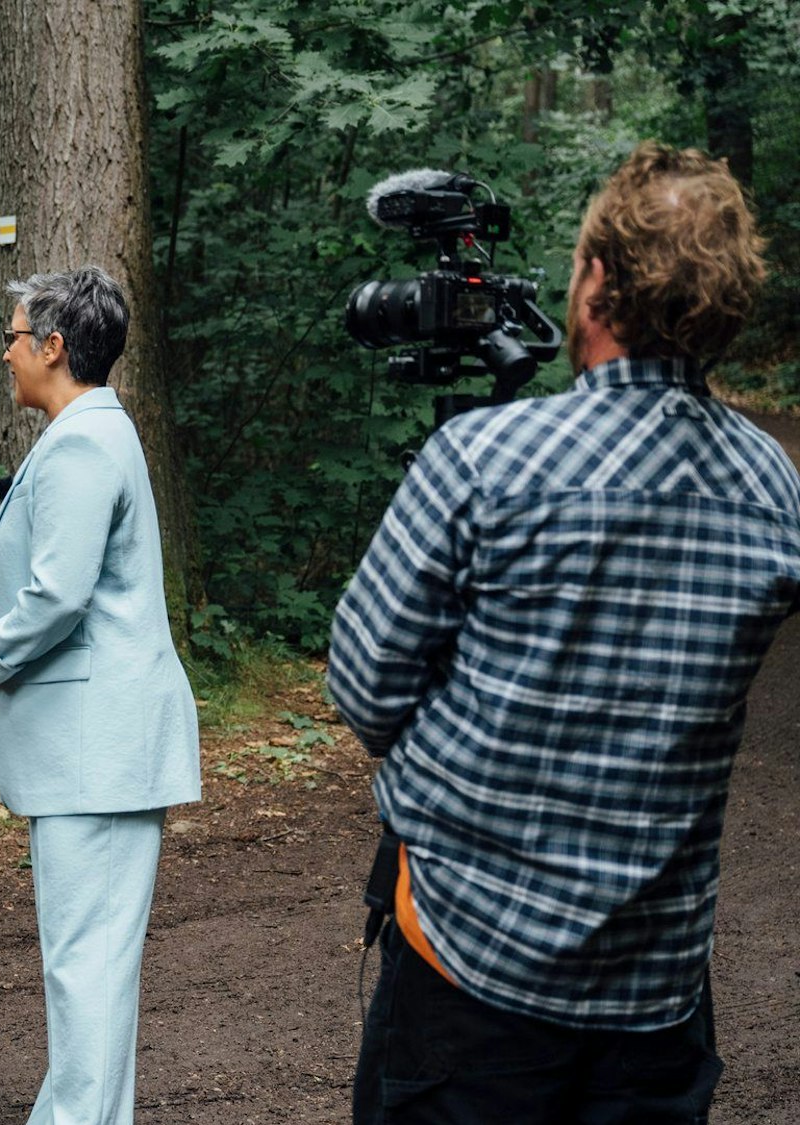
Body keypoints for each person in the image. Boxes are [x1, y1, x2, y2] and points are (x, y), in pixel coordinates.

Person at [330, 142, 800, 1124]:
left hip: (469, 975)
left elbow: (364, 686)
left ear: (593, 282)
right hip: (657, 995)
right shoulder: (773, 489)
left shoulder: (481, 457)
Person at [0, 266, 201, 1125]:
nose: (6, 353)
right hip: (100, 748)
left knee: (86, 968)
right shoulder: (93, 431)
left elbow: (57, 594)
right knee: (93, 967)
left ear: (53, 346)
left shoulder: (84, 443)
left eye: (14, 337)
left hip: (98, 749)